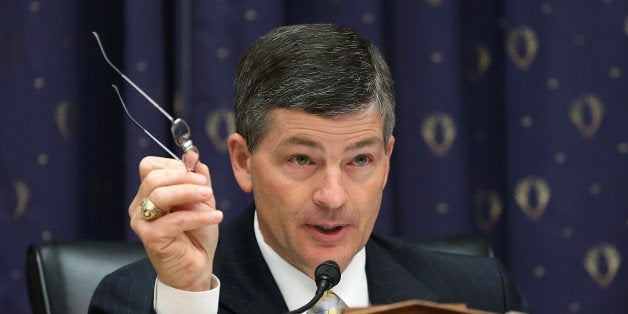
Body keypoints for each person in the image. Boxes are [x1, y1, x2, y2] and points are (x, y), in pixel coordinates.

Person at [89, 23, 529, 313]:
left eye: (360, 159)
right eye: (301, 159)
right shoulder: (141, 299)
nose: (333, 197)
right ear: (243, 162)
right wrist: (190, 298)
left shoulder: (480, 291)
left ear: (387, 160)